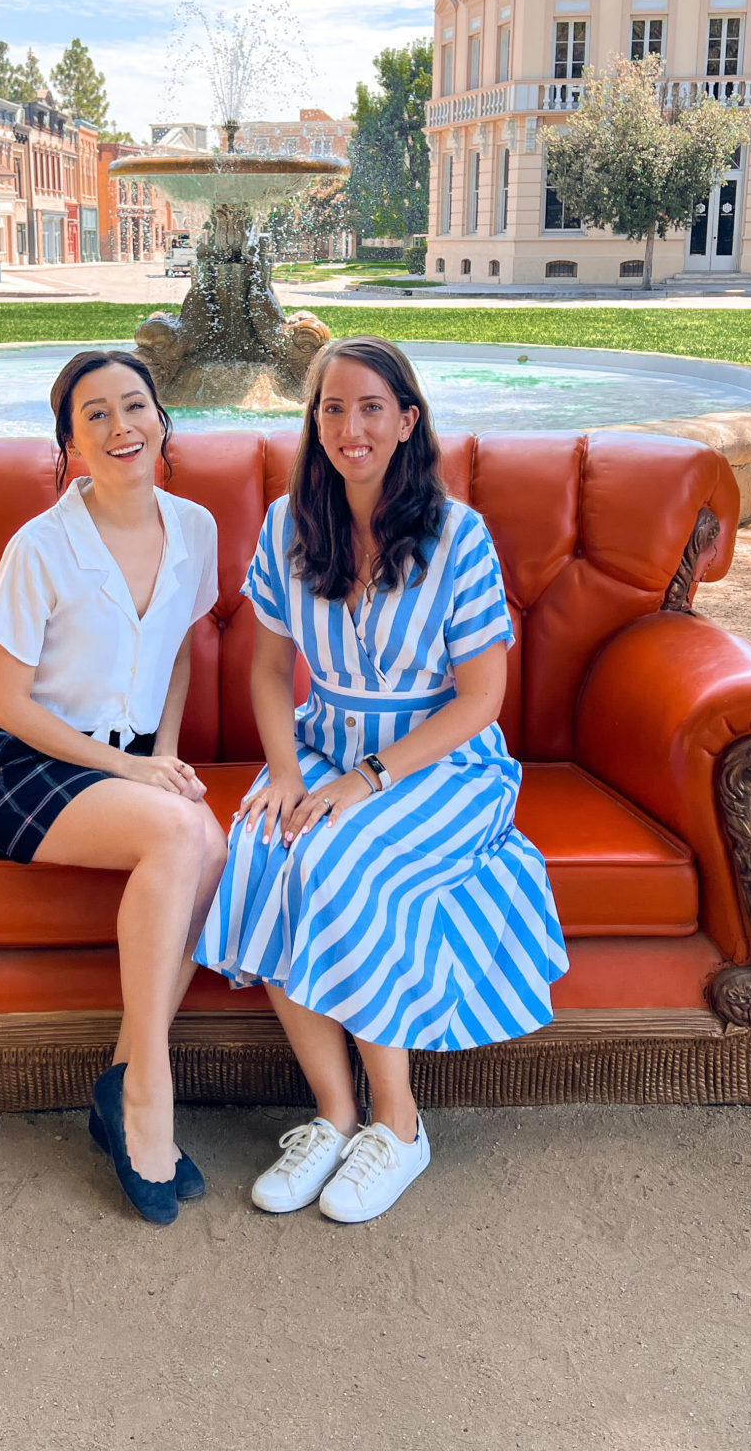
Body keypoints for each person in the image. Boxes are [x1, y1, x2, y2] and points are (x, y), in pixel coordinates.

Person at [198, 336, 567, 1225]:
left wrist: (366, 779)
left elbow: (481, 699)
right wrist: (286, 774)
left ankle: (399, 1126)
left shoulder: (457, 536)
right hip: (322, 745)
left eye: (371, 409)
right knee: (261, 844)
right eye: (332, 408)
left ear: (407, 422)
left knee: (340, 862)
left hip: (441, 760)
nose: (350, 427)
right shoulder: (291, 523)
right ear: (313, 421)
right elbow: (265, 670)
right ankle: (334, 1115)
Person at [0, 350, 226, 1226]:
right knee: (176, 835)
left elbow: (180, 651)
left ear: (161, 420)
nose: (121, 428)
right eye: (96, 416)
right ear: (69, 441)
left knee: (213, 846)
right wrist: (136, 773)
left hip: (134, 759)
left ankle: (124, 1077)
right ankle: (149, 1092)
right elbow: (8, 703)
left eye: (134, 407)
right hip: (29, 764)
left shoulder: (193, 529)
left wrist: (168, 758)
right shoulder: (40, 546)